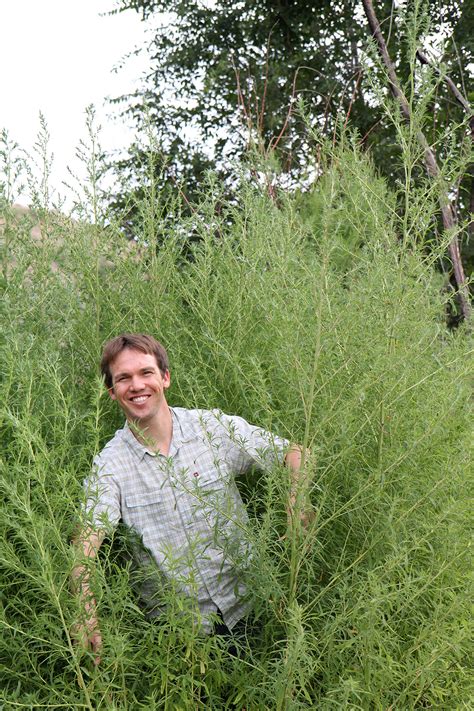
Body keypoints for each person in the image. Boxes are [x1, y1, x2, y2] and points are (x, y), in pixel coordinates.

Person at [72, 333, 306, 664]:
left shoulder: (210, 429)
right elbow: (86, 540)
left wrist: (296, 507)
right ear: (111, 392)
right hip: (182, 639)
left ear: (165, 377)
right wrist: (85, 609)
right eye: (123, 378)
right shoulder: (111, 465)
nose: (136, 385)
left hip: (253, 607)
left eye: (146, 373)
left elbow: (295, 454)